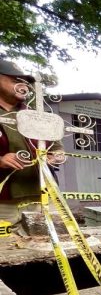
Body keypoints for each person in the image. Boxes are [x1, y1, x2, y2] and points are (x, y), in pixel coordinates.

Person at [0, 59, 63, 226]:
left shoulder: (38, 116)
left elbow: (57, 149)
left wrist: (54, 156)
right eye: (15, 81)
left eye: (27, 83)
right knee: (7, 250)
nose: (24, 86)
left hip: (42, 195)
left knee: (50, 246)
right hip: (4, 201)